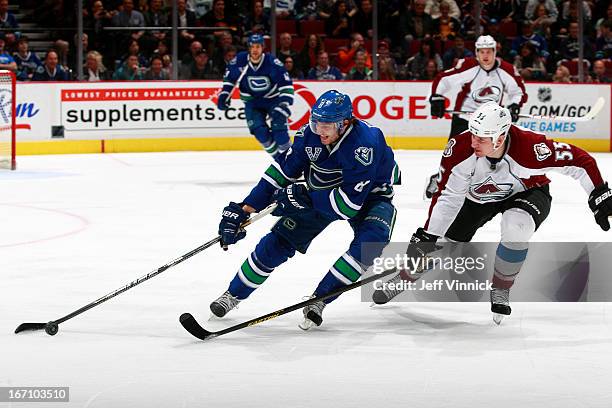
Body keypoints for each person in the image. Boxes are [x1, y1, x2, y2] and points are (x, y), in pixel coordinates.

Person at [373, 102, 612, 323]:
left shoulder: (531, 148)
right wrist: (428, 236)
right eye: (473, 134)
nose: (474, 142)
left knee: (515, 229)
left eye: (482, 138)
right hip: (476, 198)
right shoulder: (460, 149)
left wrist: (599, 193)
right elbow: (448, 196)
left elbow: (581, 161)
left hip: (527, 193)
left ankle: (501, 288)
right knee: (443, 245)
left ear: (500, 137)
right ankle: (402, 279)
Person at [210, 90, 401, 330]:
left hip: (370, 195)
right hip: (322, 191)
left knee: (370, 243)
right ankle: (233, 294)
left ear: (344, 123)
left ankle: (319, 299)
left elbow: (347, 206)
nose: (319, 129)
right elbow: (282, 172)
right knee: (277, 244)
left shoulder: (365, 145)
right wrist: (245, 207)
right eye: (316, 122)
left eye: (327, 125)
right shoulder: (309, 135)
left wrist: (305, 198)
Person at [424, 34, 527, 199]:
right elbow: (443, 80)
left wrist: (515, 104)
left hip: (491, 122)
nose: (485, 56)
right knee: (455, 155)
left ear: (495, 52)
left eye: (489, 52)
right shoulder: (468, 66)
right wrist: (436, 97)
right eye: (481, 52)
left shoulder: (506, 70)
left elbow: (518, 91)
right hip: (465, 118)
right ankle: (439, 179)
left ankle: (485, 185)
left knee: (491, 156)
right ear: (476, 53)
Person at [217, 34, 294, 159]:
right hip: (252, 102)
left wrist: (284, 103)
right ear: (249, 47)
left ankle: (292, 161)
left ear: (262, 47)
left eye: (258, 46)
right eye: (252, 46)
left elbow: (286, 84)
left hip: (273, 100)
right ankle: (280, 161)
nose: (255, 49)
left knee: (280, 133)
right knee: (260, 133)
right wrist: (224, 94)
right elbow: (229, 78)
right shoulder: (240, 60)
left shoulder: (271, 62)